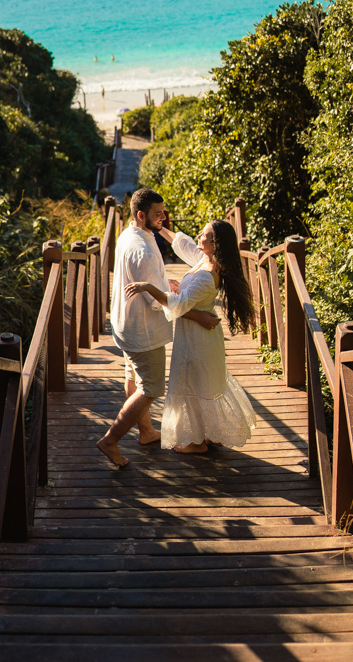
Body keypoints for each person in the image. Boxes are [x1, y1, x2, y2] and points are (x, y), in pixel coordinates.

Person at [97, 188, 221, 468]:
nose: (163, 217)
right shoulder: (143, 250)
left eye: (164, 211)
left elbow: (154, 287)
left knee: (135, 378)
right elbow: (156, 303)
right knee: (150, 388)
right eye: (157, 214)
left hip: (125, 323)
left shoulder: (130, 234)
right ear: (141, 215)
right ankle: (110, 440)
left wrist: (167, 286)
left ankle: (146, 432)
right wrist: (197, 317)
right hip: (143, 329)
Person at [125, 219, 256, 454]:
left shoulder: (208, 275)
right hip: (198, 334)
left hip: (198, 339)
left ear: (214, 244)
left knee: (191, 383)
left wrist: (149, 287)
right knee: (201, 382)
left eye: (204, 235)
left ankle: (196, 443)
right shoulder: (204, 261)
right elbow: (183, 243)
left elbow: (178, 305)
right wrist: (160, 228)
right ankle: (207, 433)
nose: (199, 237)